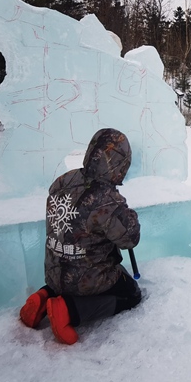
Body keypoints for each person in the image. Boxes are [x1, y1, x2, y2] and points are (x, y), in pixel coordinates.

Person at [19, 128, 142, 345]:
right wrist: (128, 215)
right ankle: (69, 310)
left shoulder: (63, 181)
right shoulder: (108, 200)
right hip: (86, 280)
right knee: (130, 293)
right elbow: (129, 239)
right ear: (120, 163)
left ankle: (43, 296)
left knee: (71, 271)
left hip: (54, 272)